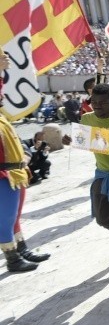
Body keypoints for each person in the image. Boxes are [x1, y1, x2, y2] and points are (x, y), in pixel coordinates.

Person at [62, 83, 109, 273]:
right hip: (102, 173)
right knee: (102, 218)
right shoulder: (87, 118)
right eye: (94, 102)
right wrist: (70, 141)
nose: (97, 106)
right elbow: (85, 141)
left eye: (103, 103)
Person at [1, 52, 49, 272]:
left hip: (16, 173)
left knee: (15, 216)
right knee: (5, 216)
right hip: (3, 175)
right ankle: (12, 258)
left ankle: (22, 248)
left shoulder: (2, 117)